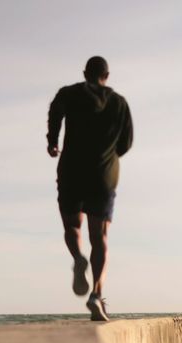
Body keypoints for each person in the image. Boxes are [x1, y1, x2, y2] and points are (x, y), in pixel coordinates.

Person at [46, 55, 133, 321]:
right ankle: (96, 294)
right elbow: (126, 143)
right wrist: (107, 155)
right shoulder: (119, 103)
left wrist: (53, 141)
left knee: (73, 227)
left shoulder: (69, 94)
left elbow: (55, 112)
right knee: (100, 237)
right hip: (103, 176)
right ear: (107, 75)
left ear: (85, 73)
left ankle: (78, 258)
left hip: (72, 170)